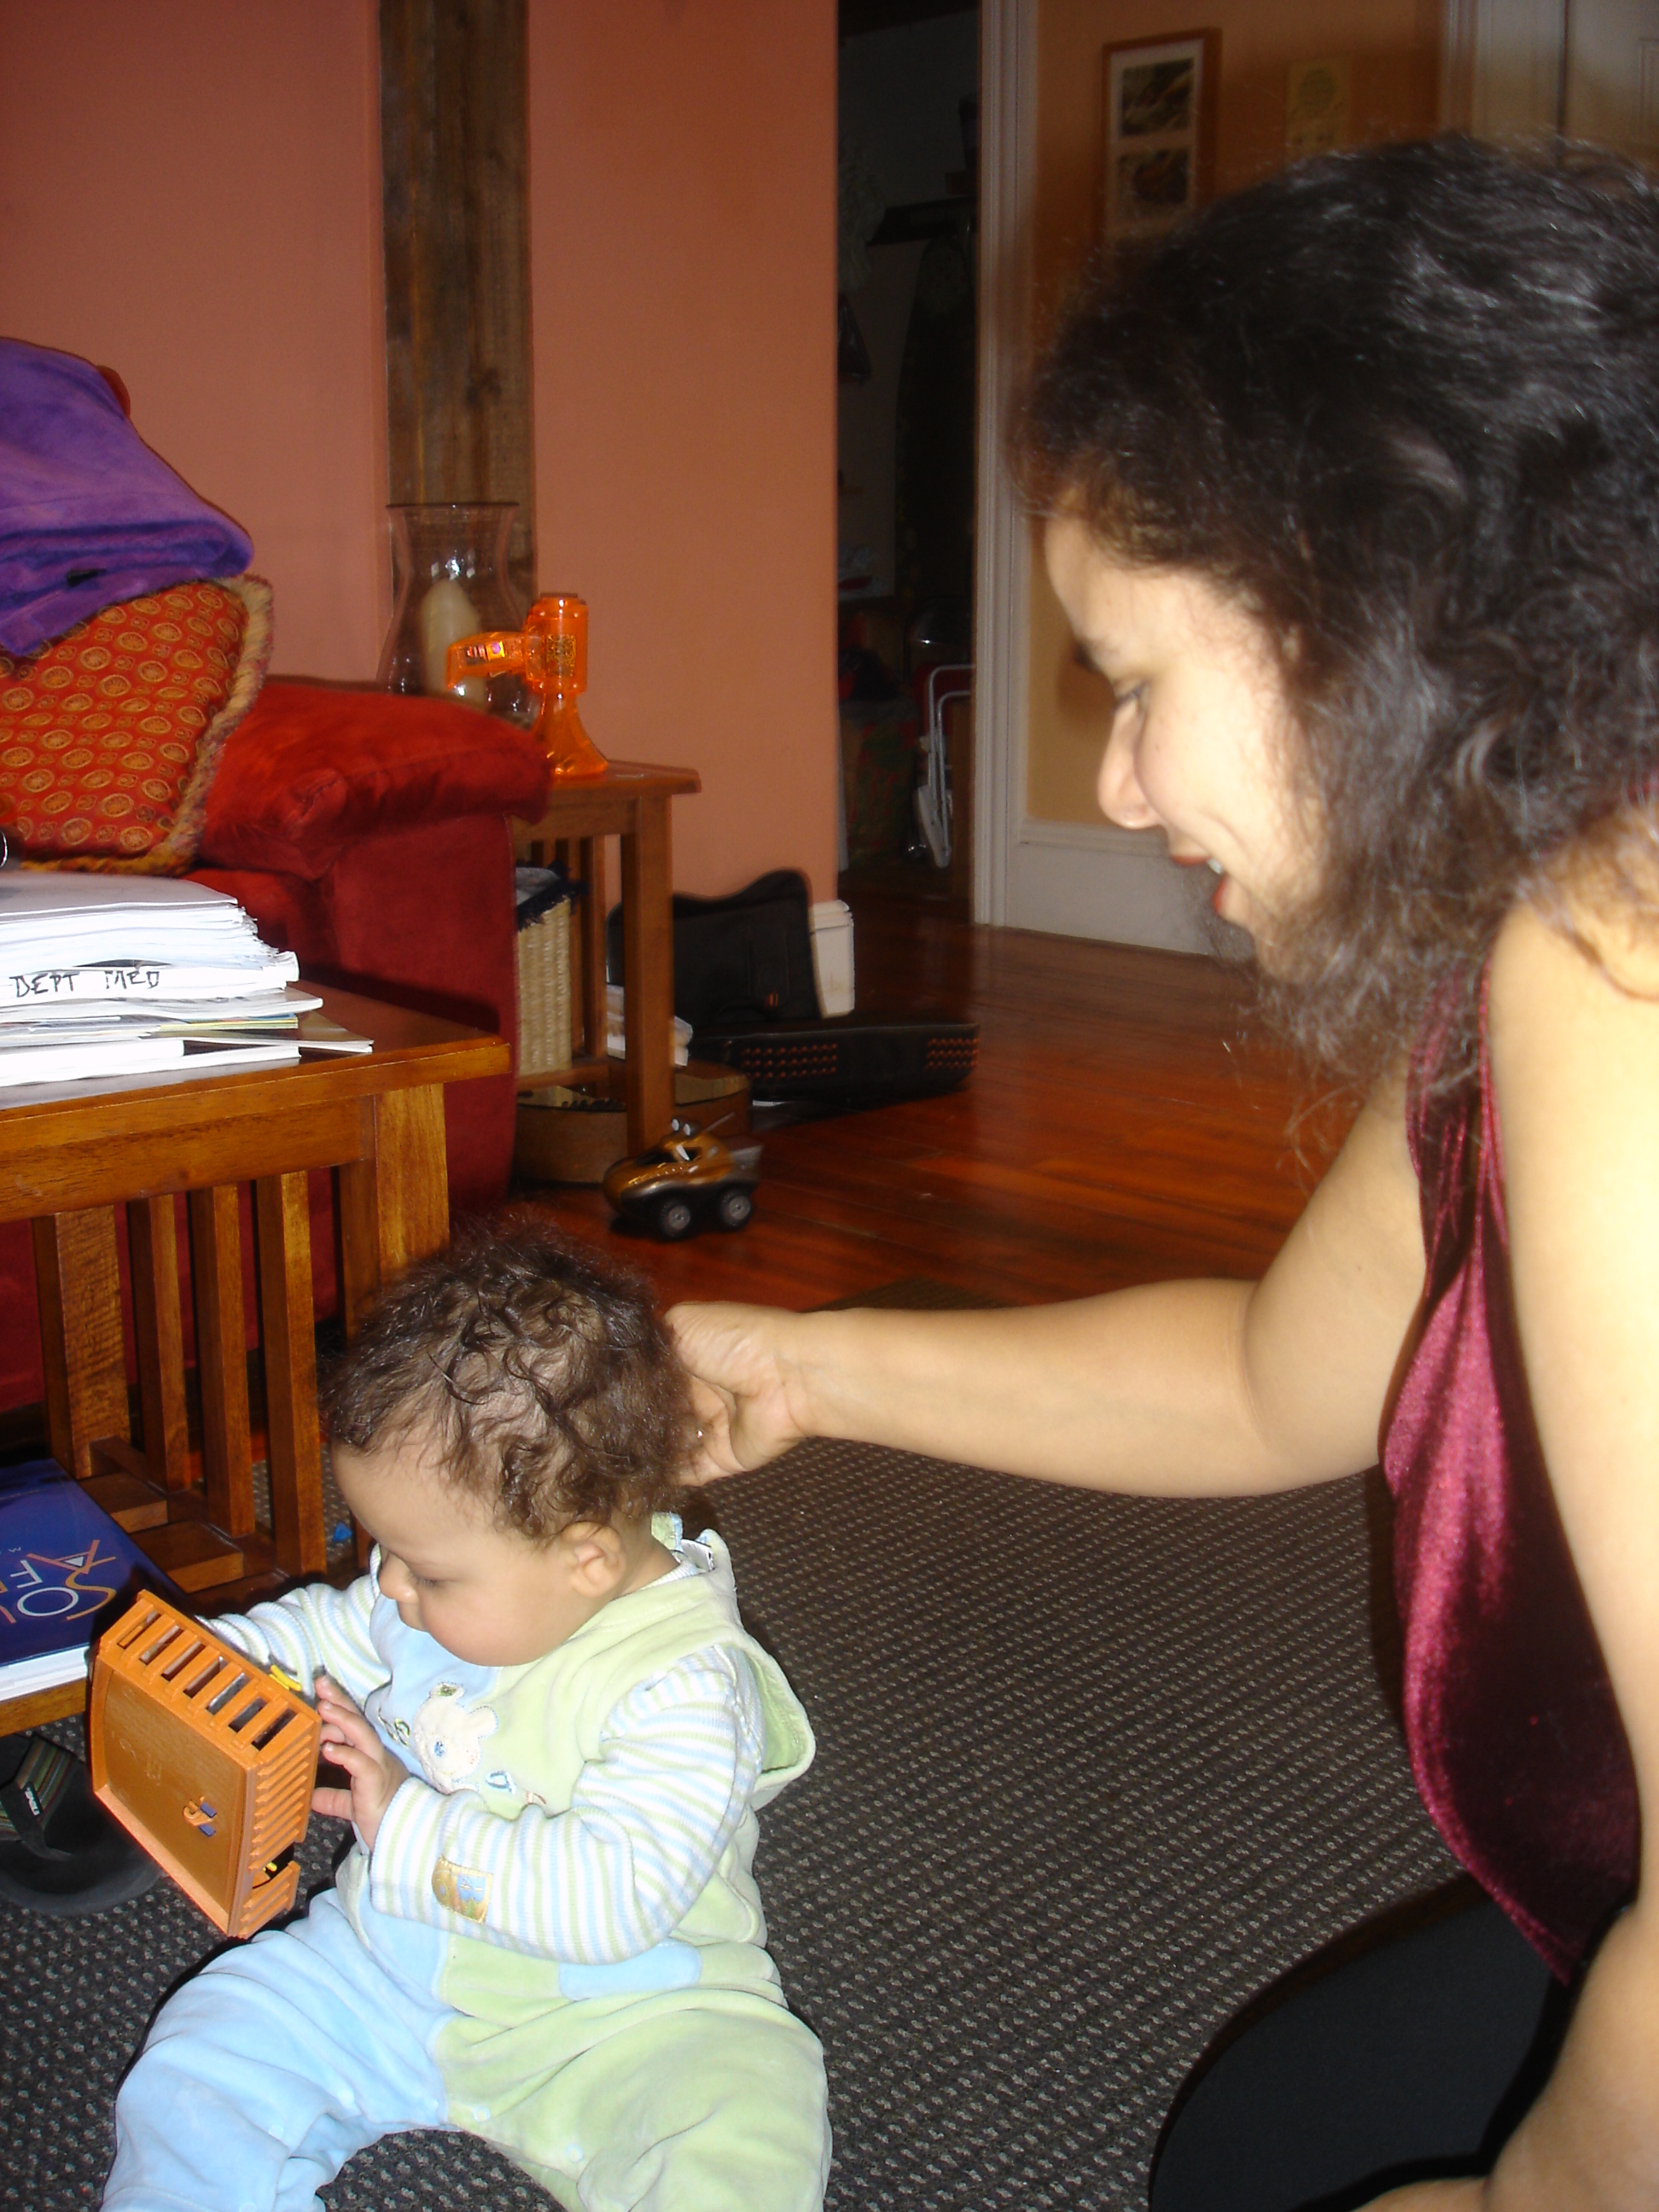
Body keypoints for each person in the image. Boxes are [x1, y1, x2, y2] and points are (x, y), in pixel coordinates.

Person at [669, 137, 1659, 2212]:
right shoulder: (1531, 935)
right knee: (1254, 2148)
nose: (1114, 783)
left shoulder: (1614, 957)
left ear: (1374, 600)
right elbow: (1270, 1380)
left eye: (1134, 682)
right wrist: (806, 1366)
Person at [102, 1218, 830, 2212]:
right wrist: (217, 1667)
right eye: (383, 1549)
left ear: (586, 1560)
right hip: (386, 1969)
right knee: (204, 2055)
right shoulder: (434, 1592)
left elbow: (614, 1898)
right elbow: (322, 1633)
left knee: (745, 2123)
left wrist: (404, 1823)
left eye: (428, 1570)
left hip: (627, 2018)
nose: (389, 1584)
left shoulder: (685, 1681)